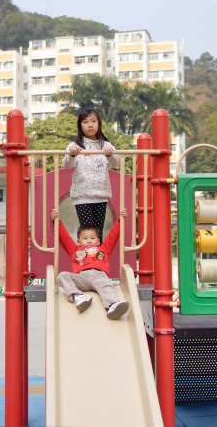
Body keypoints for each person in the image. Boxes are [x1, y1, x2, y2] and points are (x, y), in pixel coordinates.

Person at [51, 207, 129, 320]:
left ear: (98, 240)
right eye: (85, 238)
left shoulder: (103, 249)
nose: (89, 241)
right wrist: (55, 221)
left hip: (100, 276)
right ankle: (78, 296)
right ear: (79, 241)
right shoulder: (75, 250)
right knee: (62, 276)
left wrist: (120, 221)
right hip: (82, 278)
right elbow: (64, 237)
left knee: (107, 287)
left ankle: (112, 305)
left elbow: (113, 236)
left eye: (92, 238)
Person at [62, 108, 119, 243]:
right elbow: (67, 164)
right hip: (83, 195)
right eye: (86, 122)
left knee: (97, 234)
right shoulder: (75, 145)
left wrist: (110, 154)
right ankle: (87, 261)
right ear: (80, 125)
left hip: (100, 195)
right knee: (87, 234)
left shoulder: (105, 145)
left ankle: (98, 261)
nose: (90, 125)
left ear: (99, 124)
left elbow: (115, 162)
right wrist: (72, 154)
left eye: (93, 121)